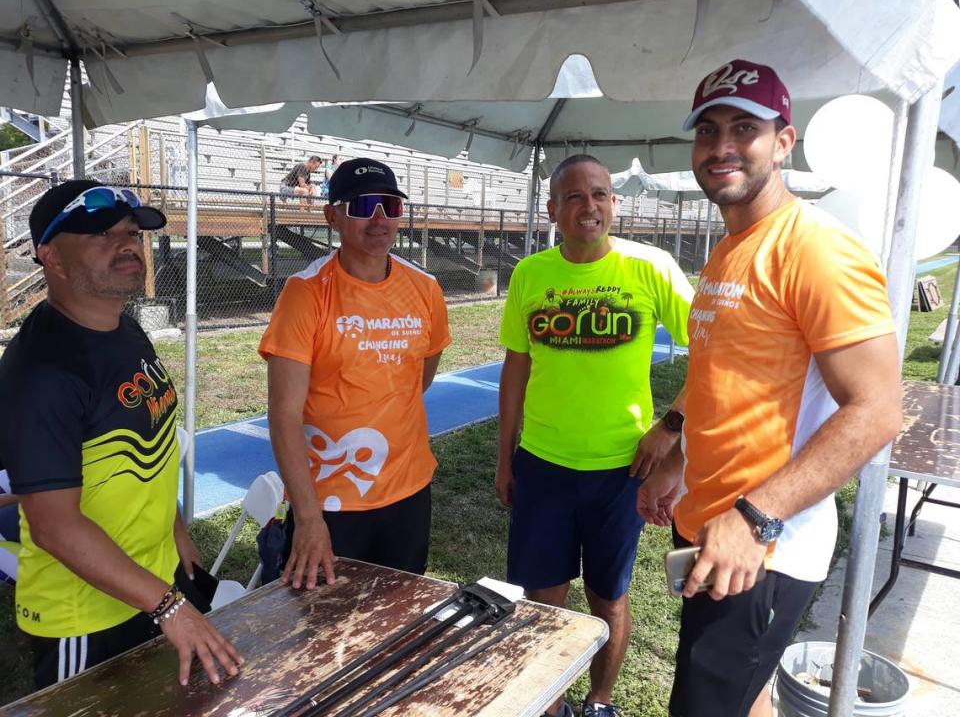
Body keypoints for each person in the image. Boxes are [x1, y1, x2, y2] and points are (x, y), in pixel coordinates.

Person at [636, 59, 903, 717]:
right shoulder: (731, 248)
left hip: (764, 546)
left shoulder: (816, 249)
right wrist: (676, 461)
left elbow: (878, 411)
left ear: (784, 141)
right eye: (707, 130)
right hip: (710, 524)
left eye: (743, 128)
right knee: (743, 695)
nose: (721, 147)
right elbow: (719, 379)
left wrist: (755, 520)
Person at [0, 180, 243, 689]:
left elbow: (150, 447)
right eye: (102, 235)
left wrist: (177, 536)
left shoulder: (126, 330)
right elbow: (54, 527)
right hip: (85, 616)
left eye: (132, 232)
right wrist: (170, 607)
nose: (128, 243)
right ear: (52, 258)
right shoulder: (42, 371)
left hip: (155, 584)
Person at [497, 154, 694, 717]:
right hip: (543, 465)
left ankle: (600, 702)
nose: (591, 207)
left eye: (602, 195)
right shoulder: (531, 275)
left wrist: (671, 426)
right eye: (577, 197)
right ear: (554, 209)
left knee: (608, 598)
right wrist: (505, 457)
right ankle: (551, 703)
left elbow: (714, 349)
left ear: (615, 203)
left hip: (620, 470)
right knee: (543, 603)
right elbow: (516, 369)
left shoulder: (650, 267)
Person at [260, 157, 451, 590]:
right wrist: (308, 518)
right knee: (325, 628)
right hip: (331, 502)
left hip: (408, 490)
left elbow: (419, 378)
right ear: (332, 216)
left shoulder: (425, 289)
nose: (380, 218)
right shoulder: (305, 294)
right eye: (364, 206)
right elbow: (283, 414)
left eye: (391, 206)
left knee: (398, 615)